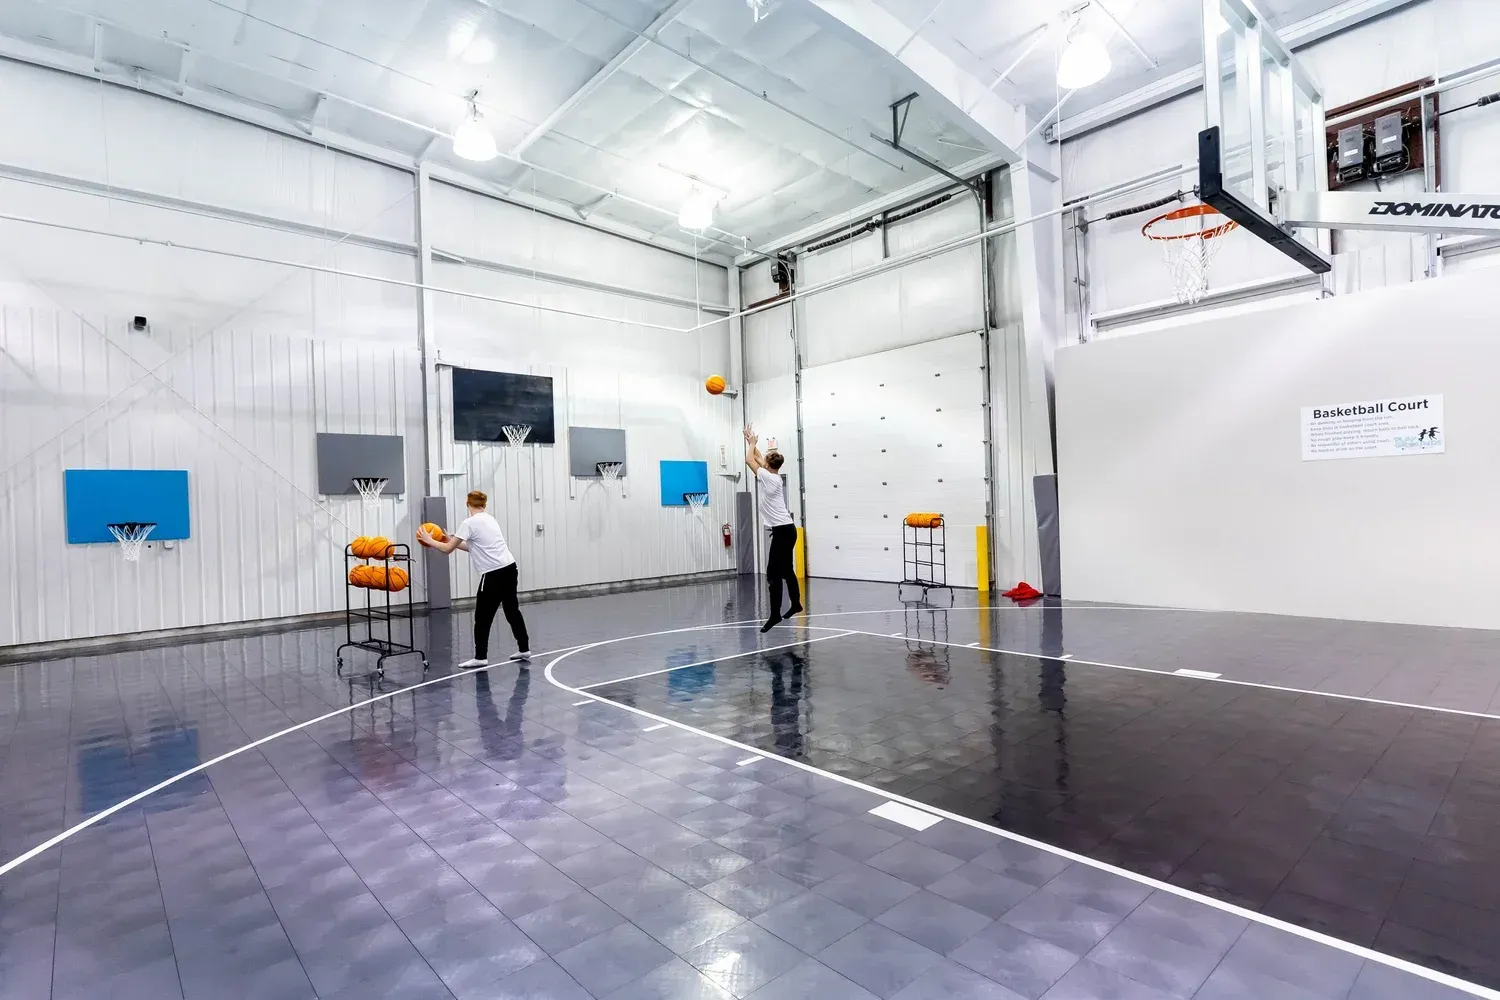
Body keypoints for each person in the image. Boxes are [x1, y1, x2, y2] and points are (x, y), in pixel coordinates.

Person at [417, 490, 530, 668]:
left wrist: (429, 540)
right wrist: (451, 540)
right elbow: (473, 547)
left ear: (467, 504)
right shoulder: (489, 519)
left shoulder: (469, 523)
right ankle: (524, 648)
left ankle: (480, 657)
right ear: (484, 504)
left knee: (482, 617)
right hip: (509, 568)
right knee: (512, 610)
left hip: (493, 574)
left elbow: (447, 550)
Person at [745, 426, 802, 632]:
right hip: (786, 530)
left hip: (783, 531)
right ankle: (795, 604)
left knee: (772, 574)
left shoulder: (768, 476)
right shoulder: (773, 475)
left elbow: (750, 460)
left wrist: (752, 444)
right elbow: (758, 458)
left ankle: (775, 614)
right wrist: (751, 443)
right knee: (785, 570)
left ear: (768, 466)